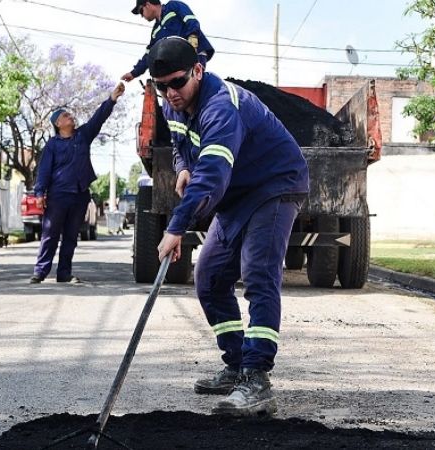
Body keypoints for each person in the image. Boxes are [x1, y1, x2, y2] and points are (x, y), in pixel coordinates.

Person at [151, 37, 309, 416]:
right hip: (237, 197)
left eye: (177, 82)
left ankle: (256, 379)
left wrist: (177, 226)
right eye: (161, 86)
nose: (170, 93)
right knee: (209, 277)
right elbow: (180, 145)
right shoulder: (173, 104)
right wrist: (182, 166)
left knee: (258, 273)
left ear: (198, 71)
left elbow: (213, 175)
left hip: (274, 185)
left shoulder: (221, 107)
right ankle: (237, 364)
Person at [29, 82, 126, 284]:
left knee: (71, 237)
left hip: (80, 194)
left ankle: (64, 273)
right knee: (50, 235)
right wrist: (39, 194)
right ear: (58, 124)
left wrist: (112, 98)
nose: (70, 116)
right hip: (58, 196)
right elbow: (44, 171)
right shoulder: (52, 145)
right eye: (65, 116)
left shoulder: (83, 136)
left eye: (70, 115)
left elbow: (98, 118)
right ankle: (40, 272)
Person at [121, 0, 214, 82]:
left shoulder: (173, 6)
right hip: (179, 63)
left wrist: (192, 40)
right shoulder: (155, 32)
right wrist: (134, 73)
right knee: (182, 91)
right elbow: (149, 55)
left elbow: (191, 21)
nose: (142, 16)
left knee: (194, 86)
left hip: (195, 54)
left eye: (141, 11)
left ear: (148, 4)